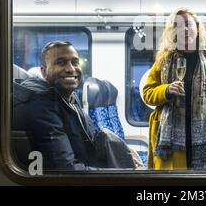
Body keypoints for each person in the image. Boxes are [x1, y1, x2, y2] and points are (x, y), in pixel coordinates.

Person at [13, 41, 137, 171]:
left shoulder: (69, 96)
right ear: (44, 72)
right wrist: (121, 173)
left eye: (75, 62)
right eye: (61, 62)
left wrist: (121, 156)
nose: (71, 69)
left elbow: (92, 137)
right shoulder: (41, 104)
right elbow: (66, 169)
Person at [143, 8, 206, 170]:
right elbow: (147, 93)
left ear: (197, 28)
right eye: (178, 26)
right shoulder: (164, 61)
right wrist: (166, 90)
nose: (184, 29)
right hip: (171, 141)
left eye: (188, 24)